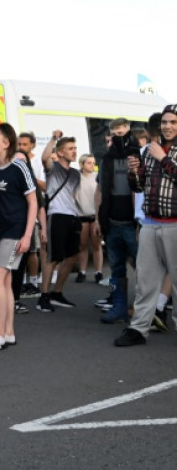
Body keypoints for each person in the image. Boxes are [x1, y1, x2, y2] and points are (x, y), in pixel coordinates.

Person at [115, 104, 177, 346]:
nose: (168, 126)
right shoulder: (149, 150)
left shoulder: (160, 153)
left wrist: (163, 160)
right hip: (151, 222)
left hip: (174, 224)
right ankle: (139, 328)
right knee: (145, 280)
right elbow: (139, 187)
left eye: (173, 122)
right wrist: (134, 172)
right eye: (165, 122)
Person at [0, 124, 37, 351]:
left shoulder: (19, 167)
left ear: (6, 143)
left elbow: (33, 202)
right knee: (4, 282)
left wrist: (27, 236)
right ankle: (9, 333)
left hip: (15, 232)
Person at [94, 119, 140, 324]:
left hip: (133, 224)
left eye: (122, 132)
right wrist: (97, 219)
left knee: (144, 268)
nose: (119, 136)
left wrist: (140, 222)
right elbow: (100, 190)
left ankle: (145, 309)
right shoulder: (106, 159)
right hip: (111, 223)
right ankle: (119, 307)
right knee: (116, 269)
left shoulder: (138, 155)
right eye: (115, 133)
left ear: (128, 131)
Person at [36, 133, 81, 312]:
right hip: (57, 216)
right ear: (60, 153)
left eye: (75, 148)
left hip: (72, 217)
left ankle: (57, 293)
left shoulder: (75, 173)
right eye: (70, 149)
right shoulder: (52, 168)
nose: (74, 152)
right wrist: (53, 139)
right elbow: (44, 157)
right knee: (52, 258)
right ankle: (44, 296)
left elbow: (74, 196)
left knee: (71, 258)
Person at [17, 132, 46, 297]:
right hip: (19, 214)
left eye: (25, 144)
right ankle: (19, 282)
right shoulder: (17, 159)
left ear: (33, 145)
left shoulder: (36, 162)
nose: (21, 147)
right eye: (19, 144)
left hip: (32, 214)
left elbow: (44, 187)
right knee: (20, 251)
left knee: (32, 250)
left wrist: (30, 178)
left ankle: (34, 282)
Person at [76, 153, 102, 284]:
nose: (92, 165)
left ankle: (98, 272)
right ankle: (82, 272)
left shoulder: (97, 177)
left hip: (95, 215)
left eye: (93, 163)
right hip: (81, 215)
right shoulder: (76, 178)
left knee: (97, 245)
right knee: (83, 245)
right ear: (82, 164)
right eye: (89, 163)